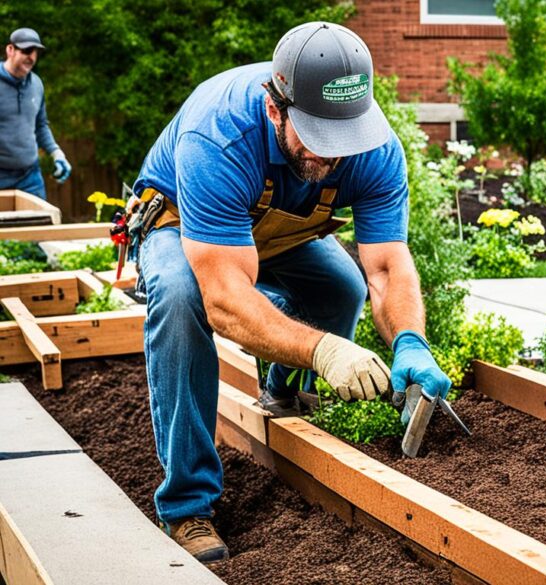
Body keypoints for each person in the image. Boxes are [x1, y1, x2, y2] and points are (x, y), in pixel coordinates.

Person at [132, 22, 451, 564]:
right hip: (184, 223)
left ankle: (283, 394)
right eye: (319, 138)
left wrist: (411, 340)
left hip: (278, 228)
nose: (332, 157)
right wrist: (323, 349)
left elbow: (387, 269)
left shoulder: (373, 150)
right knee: (182, 300)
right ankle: (187, 505)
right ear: (276, 108)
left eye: (343, 138)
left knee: (341, 287)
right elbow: (225, 298)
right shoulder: (220, 136)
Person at [0, 28, 71, 199]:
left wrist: (57, 153)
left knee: (42, 222)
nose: (31, 57)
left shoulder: (36, 85)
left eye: (35, 52)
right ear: (10, 50)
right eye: (26, 50)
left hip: (30, 177)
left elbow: (41, 125)